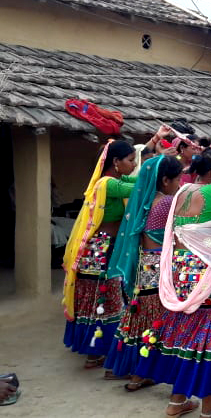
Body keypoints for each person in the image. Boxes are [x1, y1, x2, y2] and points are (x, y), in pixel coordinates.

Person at [135, 149, 211, 418]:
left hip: (181, 274)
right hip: (207, 277)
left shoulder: (182, 193)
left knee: (183, 336)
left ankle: (177, 401)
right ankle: (210, 409)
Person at [104, 155, 183, 391]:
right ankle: (144, 374)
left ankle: (137, 375)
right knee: (160, 322)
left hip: (144, 268)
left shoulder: (145, 202)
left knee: (141, 321)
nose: (180, 183)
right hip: (160, 269)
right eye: (178, 179)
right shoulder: (167, 203)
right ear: (166, 180)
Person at [62, 140, 136, 374]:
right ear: (116, 162)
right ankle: (97, 353)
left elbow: (134, 181)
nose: (133, 165)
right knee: (102, 301)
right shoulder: (108, 184)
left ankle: (96, 352)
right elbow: (140, 188)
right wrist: (159, 171)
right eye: (131, 160)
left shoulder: (113, 182)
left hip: (104, 248)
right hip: (100, 251)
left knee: (101, 301)